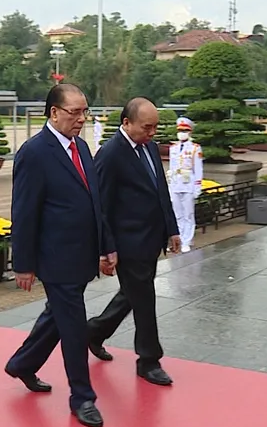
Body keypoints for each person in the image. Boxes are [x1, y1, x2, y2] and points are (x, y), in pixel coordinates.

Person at [5, 83, 116, 427]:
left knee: (58, 316)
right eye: (75, 112)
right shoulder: (34, 153)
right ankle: (82, 398)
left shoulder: (81, 147)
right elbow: (24, 212)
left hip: (82, 254)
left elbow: (94, 202)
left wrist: (106, 245)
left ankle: (23, 363)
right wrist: (22, 263)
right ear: (54, 113)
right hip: (55, 258)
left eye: (85, 111)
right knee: (72, 327)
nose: (81, 119)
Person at [86, 97, 180, 387]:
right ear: (126, 123)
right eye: (147, 127)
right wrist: (106, 247)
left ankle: (93, 332)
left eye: (155, 127)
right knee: (144, 299)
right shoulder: (111, 154)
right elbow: (100, 206)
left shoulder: (150, 147)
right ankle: (149, 360)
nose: (152, 133)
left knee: (133, 293)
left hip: (151, 238)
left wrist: (172, 230)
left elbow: (159, 190)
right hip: (128, 242)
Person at [166, 117, 203, 253]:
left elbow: (198, 169)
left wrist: (197, 187)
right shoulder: (173, 148)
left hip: (188, 184)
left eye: (184, 130)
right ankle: (179, 240)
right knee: (177, 214)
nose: (182, 133)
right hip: (176, 184)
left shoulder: (195, 148)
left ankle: (187, 240)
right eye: (180, 130)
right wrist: (170, 187)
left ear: (190, 132)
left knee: (188, 214)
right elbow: (171, 168)